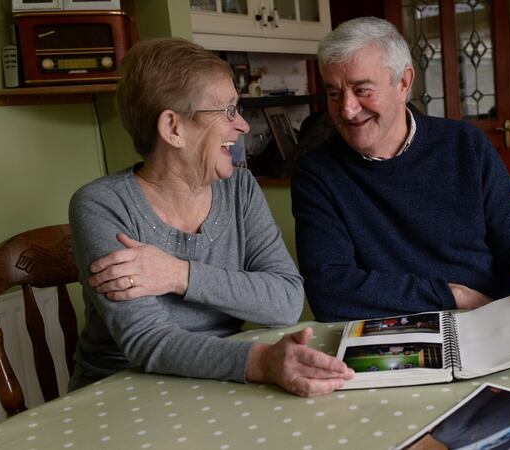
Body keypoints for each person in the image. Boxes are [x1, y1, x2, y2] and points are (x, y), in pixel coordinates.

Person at [68, 37, 353, 397]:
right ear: (173, 128)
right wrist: (262, 362)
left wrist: (178, 274)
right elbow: (145, 340)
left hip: (219, 381)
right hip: (122, 393)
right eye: (229, 111)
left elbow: (285, 302)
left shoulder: (240, 189)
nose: (243, 126)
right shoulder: (102, 204)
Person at [291, 17, 510, 322]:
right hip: (393, 332)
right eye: (333, 94)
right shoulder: (316, 173)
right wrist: (452, 295)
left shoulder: (466, 144)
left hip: (491, 317)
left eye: (362, 90)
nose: (346, 108)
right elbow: (329, 290)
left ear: (404, 83)